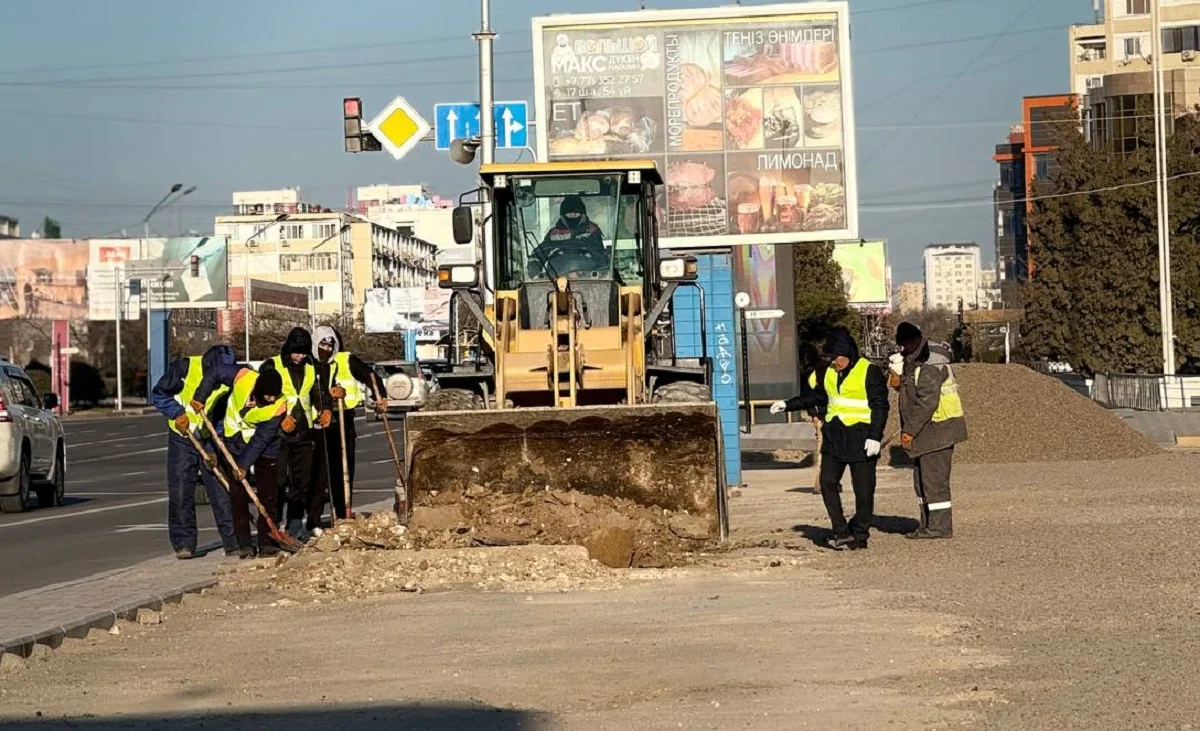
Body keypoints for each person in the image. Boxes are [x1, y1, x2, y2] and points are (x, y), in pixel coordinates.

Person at [771, 328, 889, 550]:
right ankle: (840, 530)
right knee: (827, 482)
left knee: (864, 489)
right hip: (835, 435)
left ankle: (860, 534)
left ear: (848, 354)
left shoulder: (869, 371)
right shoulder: (829, 372)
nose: (834, 363)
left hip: (861, 437)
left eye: (837, 358)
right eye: (831, 359)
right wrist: (788, 404)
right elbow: (818, 396)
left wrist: (875, 435)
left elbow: (880, 405)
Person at [150, 344, 239, 559]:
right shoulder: (185, 368)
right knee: (181, 490)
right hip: (183, 437)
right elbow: (160, 394)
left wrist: (217, 444)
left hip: (210, 439)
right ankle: (184, 544)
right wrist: (177, 414)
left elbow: (226, 410)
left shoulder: (231, 379)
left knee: (221, 491)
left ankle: (233, 542)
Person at [893, 322, 967, 539]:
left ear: (913, 342)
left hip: (939, 429)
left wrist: (910, 431)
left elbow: (927, 401)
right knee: (921, 482)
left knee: (934, 482)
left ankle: (939, 528)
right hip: (927, 430)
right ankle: (927, 525)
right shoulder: (914, 359)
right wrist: (896, 378)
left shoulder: (930, 364)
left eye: (904, 346)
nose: (902, 350)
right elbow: (910, 392)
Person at [258, 328, 331, 540]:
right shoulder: (272, 366)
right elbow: (262, 397)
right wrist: (280, 417)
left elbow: (320, 394)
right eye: (296, 352)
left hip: (304, 431)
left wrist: (326, 409)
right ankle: (275, 523)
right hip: (278, 433)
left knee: (302, 482)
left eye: (303, 353)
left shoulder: (311, 368)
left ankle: (295, 523)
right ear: (288, 349)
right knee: (278, 482)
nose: (299, 357)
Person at [312, 325, 387, 520]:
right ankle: (315, 520)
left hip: (344, 420)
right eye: (323, 344)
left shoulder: (346, 360)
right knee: (319, 475)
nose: (327, 349)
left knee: (343, 472)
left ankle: (343, 513)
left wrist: (380, 396)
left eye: (331, 345)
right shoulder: (311, 363)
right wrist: (327, 395)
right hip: (318, 424)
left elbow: (370, 376)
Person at [217, 368, 289, 558]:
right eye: (268, 395)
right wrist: (240, 465)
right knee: (238, 495)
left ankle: (267, 543)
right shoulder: (243, 382)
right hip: (234, 440)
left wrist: (244, 463)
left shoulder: (280, 405)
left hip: (264, 444)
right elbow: (216, 375)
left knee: (269, 493)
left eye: (274, 396)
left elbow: (262, 439)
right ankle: (245, 545)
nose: (272, 400)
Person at [531, 195, 608, 276]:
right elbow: (539, 253)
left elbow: (600, 257)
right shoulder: (555, 234)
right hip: (556, 277)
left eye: (576, 214)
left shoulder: (592, 231)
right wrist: (534, 267)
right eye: (569, 214)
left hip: (586, 277)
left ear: (583, 215)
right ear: (563, 216)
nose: (573, 216)